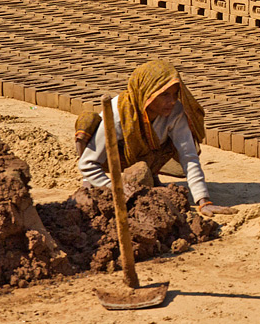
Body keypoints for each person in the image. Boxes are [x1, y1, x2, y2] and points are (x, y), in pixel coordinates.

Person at [76, 59, 236, 217]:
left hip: (147, 155)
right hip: (114, 158)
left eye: (175, 94)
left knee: (169, 142)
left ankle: (150, 175)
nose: (172, 101)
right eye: (164, 95)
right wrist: (117, 190)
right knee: (87, 122)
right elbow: (87, 163)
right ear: (146, 93)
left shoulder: (176, 111)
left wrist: (203, 201)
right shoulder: (118, 113)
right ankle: (90, 182)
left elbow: (189, 157)